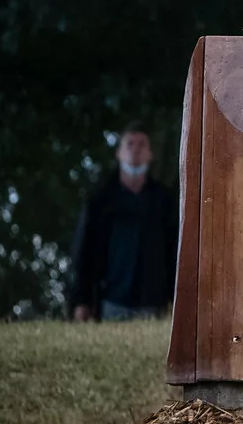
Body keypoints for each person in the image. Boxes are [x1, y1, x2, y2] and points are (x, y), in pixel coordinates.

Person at [69, 123, 177, 321]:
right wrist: (81, 300)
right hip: (111, 302)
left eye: (141, 145)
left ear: (150, 154)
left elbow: (174, 253)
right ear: (119, 153)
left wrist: (175, 299)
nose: (135, 150)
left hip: (153, 304)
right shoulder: (100, 202)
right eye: (129, 144)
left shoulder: (164, 202)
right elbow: (84, 253)